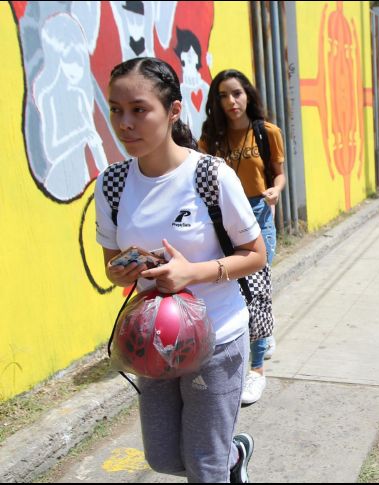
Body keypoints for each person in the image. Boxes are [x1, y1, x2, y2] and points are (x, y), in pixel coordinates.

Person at [96, 57, 262, 482]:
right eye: (116, 109)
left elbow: (255, 254)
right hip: (151, 343)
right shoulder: (112, 184)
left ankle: (223, 463)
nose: (124, 123)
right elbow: (112, 265)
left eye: (139, 109)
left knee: (205, 468)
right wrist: (122, 272)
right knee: (164, 459)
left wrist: (193, 274)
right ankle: (234, 455)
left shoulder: (209, 175)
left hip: (218, 337)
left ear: (172, 111)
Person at [199, 69, 286, 406]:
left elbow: (279, 175)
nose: (231, 101)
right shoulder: (211, 138)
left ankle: (257, 368)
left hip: (260, 215)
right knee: (237, 290)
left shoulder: (267, 132)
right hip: (224, 219)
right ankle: (260, 338)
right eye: (223, 95)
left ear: (248, 94)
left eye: (236, 93)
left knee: (257, 289)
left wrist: (274, 192)